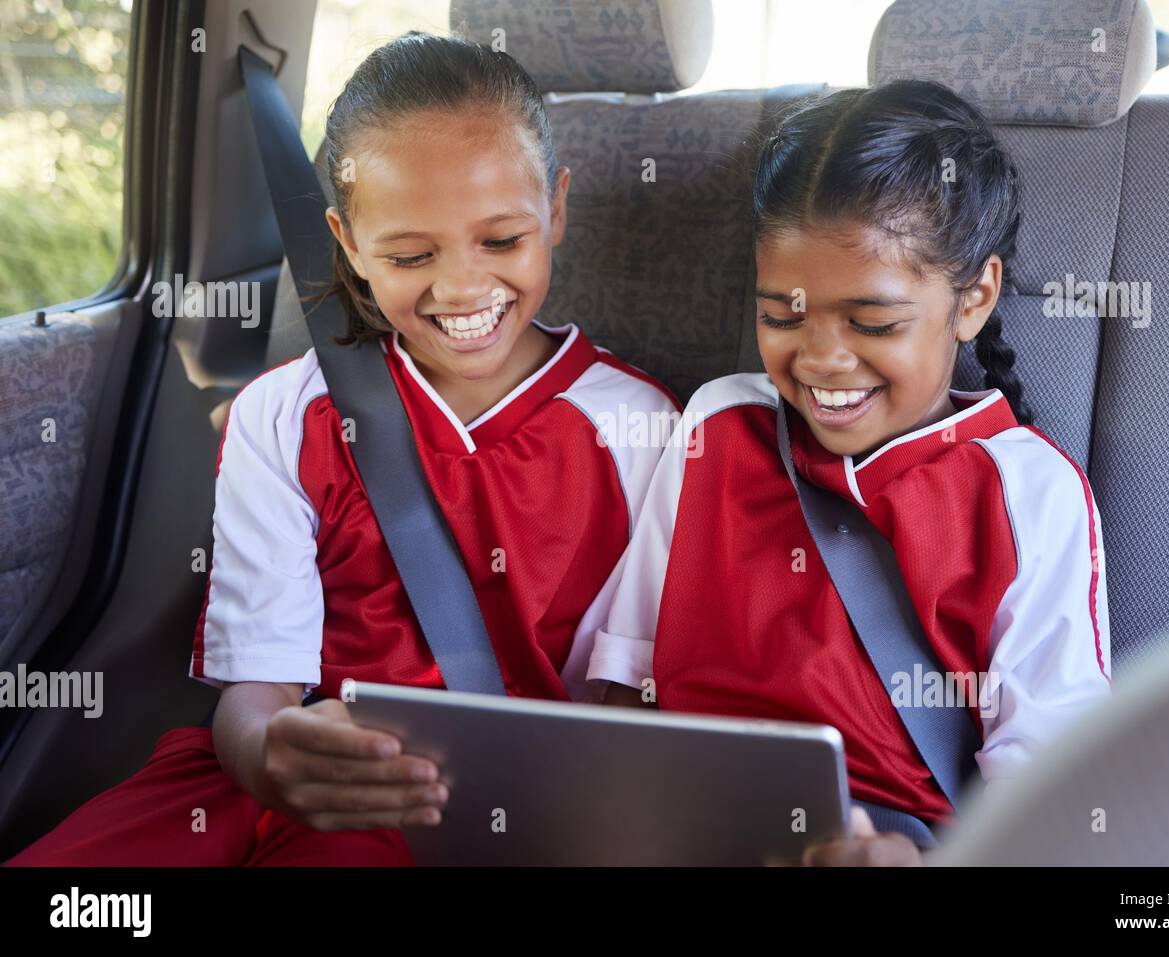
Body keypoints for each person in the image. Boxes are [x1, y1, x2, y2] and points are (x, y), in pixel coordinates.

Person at [9, 32, 677, 867]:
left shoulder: (644, 429)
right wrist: (269, 754)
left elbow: (630, 706)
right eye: (408, 254)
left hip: (506, 803)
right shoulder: (283, 416)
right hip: (284, 769)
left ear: (558, 209)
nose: (463, 287)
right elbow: (259, 689)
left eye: (502, 240)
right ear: (350, 244)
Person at [591, 80, 1112, 865]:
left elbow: (1049, 794)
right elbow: (623, 685)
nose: (823, 360)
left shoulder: (1026, 492)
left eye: (873, 322)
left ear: (973, 298)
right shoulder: (718, 426)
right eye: (782, 316)